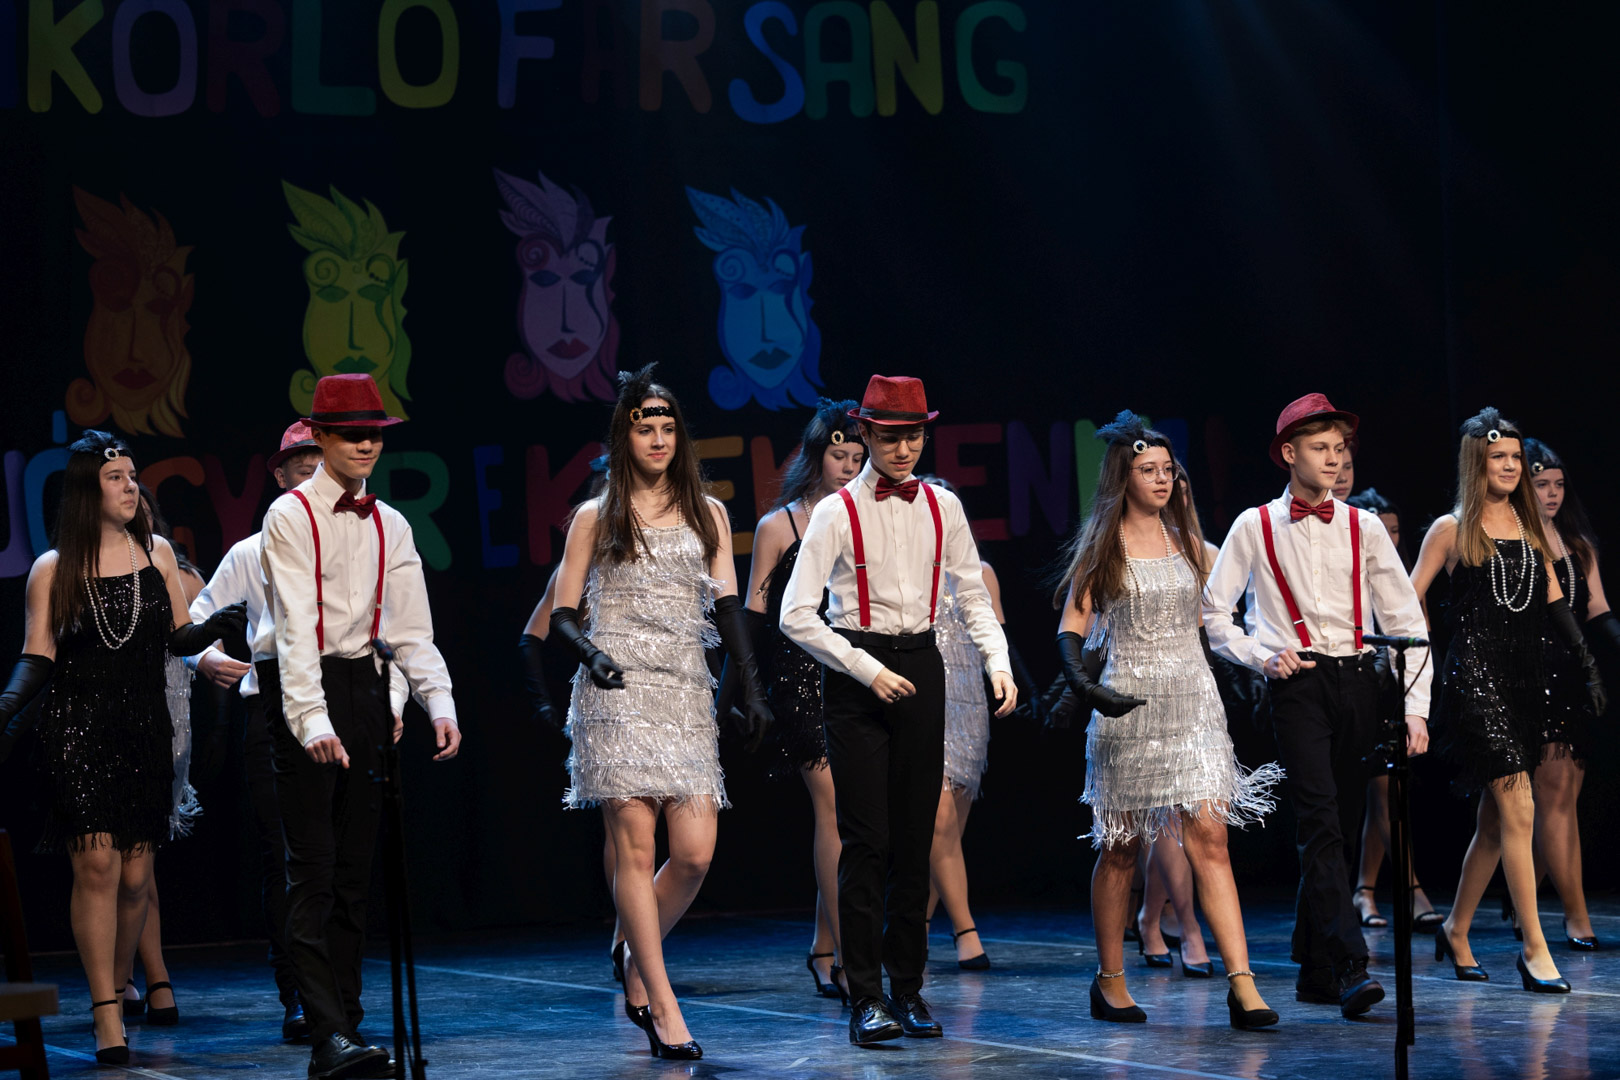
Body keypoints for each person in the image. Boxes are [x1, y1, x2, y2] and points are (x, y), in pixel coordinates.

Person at [781, 374, 1016, 1047]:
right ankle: (865, 995)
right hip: (857, 674)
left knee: (917, 838)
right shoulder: (835, 512)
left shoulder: (943, 505)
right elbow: (796, 615)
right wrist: (865, 668)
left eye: (913, 435)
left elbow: (972, 594)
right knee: (867, 841)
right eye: (889, 437)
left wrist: (997, 662)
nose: (903, 448)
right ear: (865, 433)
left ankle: (907, 988)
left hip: (922, 663)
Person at [547, 364, 772, 1060]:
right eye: (645, 428)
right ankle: (660, 1003)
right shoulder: (597, 516)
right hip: (616, 693)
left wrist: (750, 686)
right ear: (624, 436)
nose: (658, 439)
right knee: (636, 849)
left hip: (684, 689)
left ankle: (630, 948)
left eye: (668, 427)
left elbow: (727, 607)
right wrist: (592, 655)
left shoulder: (709, 512)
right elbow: (561, 612)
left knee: (695, 854)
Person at [0, 430, 244, 1065]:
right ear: (89, 490)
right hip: (77, 733)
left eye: (133, 476)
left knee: (137, 878)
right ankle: (106, 1010)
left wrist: (213, 629)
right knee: (98, 868)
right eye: (116, 478)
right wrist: (5, 704)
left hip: (143, 731)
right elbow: (37, 655)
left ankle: (117, 980)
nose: (131, 486)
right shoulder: (52, 568)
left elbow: (179, 637)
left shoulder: (155, 552)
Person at [256, 374, 462, 1078]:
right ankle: (326, 1034)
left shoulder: (390, 523)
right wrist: (310, 717)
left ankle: (348, 1020)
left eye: (374, 433)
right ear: (320, 437)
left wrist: (436, 702)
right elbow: (294, 625)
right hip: (306, 685)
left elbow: (409, 628)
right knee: (311, 870)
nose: (366, 444)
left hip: (366, 689)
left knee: (354, 873)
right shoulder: (289, 514)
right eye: (351, 434)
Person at [1202, 393, 1432, 1018]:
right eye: (1320, 448)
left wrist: (1415, 707)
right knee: (1320, 821)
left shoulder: (1363, 527)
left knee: (1342, 823)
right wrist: (1261, 656)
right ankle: (1352, 965)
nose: (1333, 459)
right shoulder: (1254, 525)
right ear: (1288, 453)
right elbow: (1214, 614)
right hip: (1298, 684)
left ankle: (1313, 968)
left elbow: (1406, 622)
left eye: (1339, 449)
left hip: (1359, 682)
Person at [1056, 411, 1281, 1029]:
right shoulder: (1104, 549)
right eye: (1148, 470)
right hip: (1127, 708)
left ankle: (1242, 983)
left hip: (1194, 705)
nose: (1162, 479)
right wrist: (1085, 686)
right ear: (1122, 478)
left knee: (1211, 837)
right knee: (1121, 848)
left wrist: (1266, 659)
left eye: (1168, 470)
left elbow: (1232, 614)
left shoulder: (1194, 545)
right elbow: (1072, 626)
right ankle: (1110, 979)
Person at [1410, 409, 1603, 993]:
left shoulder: (1527, 524)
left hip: (1526, 685)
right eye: (1500, 457)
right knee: (1520, 808)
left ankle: (1456, 929)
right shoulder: (1451, 528)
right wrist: (1423, 667)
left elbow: (1554, 598)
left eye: (1516, 458)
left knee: (1495, 824)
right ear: (1477, 462)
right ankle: (1534, 948)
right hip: (1475, 682)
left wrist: (1586, 661)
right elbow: (1408, 597)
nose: (1512, 466)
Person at [184, 422, 338, 1041]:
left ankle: (340, 995)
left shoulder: (358, 540)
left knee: (341, 856)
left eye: (320, 464)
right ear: (278, 476)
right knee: (286, 857)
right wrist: (205, 657)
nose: (312, 476)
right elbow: (193, 621)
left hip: (344, 705)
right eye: (300, 466)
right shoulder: (251, 552)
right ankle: (298, 994)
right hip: (272, 715)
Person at [736, 399, 864, 1002]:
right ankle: (855, 961)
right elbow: (754, 617)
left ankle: (823, 949)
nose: (849, 466)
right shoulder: (779, 525)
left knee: (853, 815)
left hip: (854, 673)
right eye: (840, 455)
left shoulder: (864, 516)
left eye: (857, 457)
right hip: (798, 678)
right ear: (815, 456)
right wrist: (745, 694)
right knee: (834, 808)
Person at [119, 484, 208, 1027]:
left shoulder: (181, 572)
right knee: (125, 859)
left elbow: (199, 642)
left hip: (169, 721)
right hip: (110, 717)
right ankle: (148, 977)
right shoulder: (85, 568)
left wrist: (214, 655)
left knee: (141, 856)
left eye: (145, 508)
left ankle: (140, 977)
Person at [1522, 438, 1613, 949]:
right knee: (1548, 799)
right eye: (1542, 484)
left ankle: (1529, 908)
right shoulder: (1515, 542)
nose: (1552, 493)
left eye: (1558, 484)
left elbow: (1598, 610)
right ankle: (1575, 915)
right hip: (1533, 675)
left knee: (1563, 800)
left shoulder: (1577, 544)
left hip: (1574, 673)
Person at [1342, 487, 1443, 932]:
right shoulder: (1350, 567)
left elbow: (1420, 633)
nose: (1388, 535)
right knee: (1380, 793)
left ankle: (1366, 890)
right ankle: (1409, 887)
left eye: (1395, 529)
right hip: (1364, 684)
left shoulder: (1403, 572)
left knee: (1385, 793)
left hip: (1400, 687)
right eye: (1381, 528)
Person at [916, 475, 1000, 973]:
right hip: (925, 700)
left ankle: (915, 929)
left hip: (969, 706)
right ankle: (966, 930)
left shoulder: (980, 572)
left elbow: (996, 635)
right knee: (939, 824)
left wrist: (1009, 682)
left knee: (947, 835)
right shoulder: (906, 572)